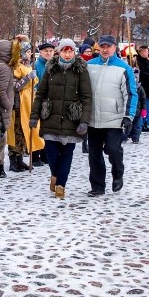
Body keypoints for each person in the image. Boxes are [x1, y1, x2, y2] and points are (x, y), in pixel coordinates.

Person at [29, 39, 92, 199]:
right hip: (51, 116)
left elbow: (86, 96)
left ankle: (61, 185)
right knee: (50, 150)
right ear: (59, 52)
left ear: (74, 52)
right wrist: (34, 115)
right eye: (65, 51)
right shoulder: (51, 68)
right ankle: (55, 175)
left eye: (70, 51)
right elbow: (41, 94)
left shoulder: (81, 70)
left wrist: (84, 120)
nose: (68, 54)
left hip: (72, 117)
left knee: (67, 152)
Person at [85, 35, 136, 196]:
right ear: (98, 48)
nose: (105, 49)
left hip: (114, 118)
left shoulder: (123, 68)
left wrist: (129, 116)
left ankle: (117, 173)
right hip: (93, 118)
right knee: (94, 154)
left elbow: (131, 93)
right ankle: (97, 186)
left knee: (113, 150)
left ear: (115, 48)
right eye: (103, 46)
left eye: (109, 46)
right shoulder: (90, 65)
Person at [7, 41, 43, 172]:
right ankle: (13, 159)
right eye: (28, 52)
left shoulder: (28, 65)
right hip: (18, 104)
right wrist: (28, 77)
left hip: (28, 103)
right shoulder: (15, 66)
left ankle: (20, 158)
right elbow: (15, 86)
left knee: (23, 131)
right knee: (16, 131)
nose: (30, 54)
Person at [0, 40, 18, 178]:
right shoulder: (4, 68)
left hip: (0, 108)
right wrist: (8, 105)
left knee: (1, 138)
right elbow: (1, 90)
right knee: (1, 140)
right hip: (3, 109)